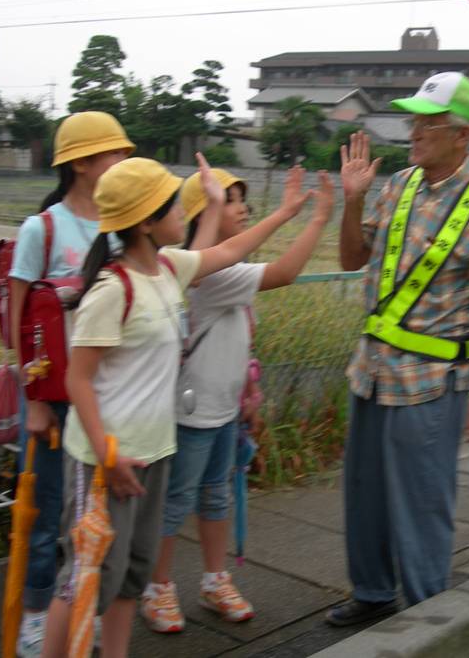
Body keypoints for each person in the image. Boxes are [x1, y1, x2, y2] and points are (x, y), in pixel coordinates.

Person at [39, 157, 321, 658]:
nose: (181, 212)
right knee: (82, 580)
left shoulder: (169, 269)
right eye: (173, 204)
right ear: (147, 221)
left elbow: (231, 248)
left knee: (131, 574)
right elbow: (76, 380)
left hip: (154, 453)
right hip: (105, 464)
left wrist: (286, 212)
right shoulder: (112, 288)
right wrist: (107, 453)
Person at [328, 72, 469, 626]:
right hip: (371, 370)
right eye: (413, 118)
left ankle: (428, 622)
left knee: (421, 504)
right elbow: (350, 259)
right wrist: (353, 200)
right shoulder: (397, 185)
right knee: (363, 495)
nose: (414, 130)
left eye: (428, 122)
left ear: (462, 135)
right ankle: (371, 594)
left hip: (433, 382)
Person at [139, 165, 334, 633]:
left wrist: (247, 394)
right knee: (178, 499)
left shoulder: (217, 269)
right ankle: (158, 588)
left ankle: (213, 579)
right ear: (202, 211)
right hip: (192, 412)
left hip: (221, 409)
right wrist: (312, 218)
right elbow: (285, 272)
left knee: (215, 496)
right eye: (230, 200)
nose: (243, 207)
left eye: (243, 199)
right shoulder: (205, 272)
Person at [8, 111, 134, 658]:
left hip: (103, 398)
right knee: (49, 511)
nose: (124, 163)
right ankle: (37, 615)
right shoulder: (43, 229)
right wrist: (33, 403)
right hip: (53, 402)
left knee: (90, 517)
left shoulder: (119, 225)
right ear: (82, 164)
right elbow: (20, 323)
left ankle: (79, 608)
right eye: (115, 155)